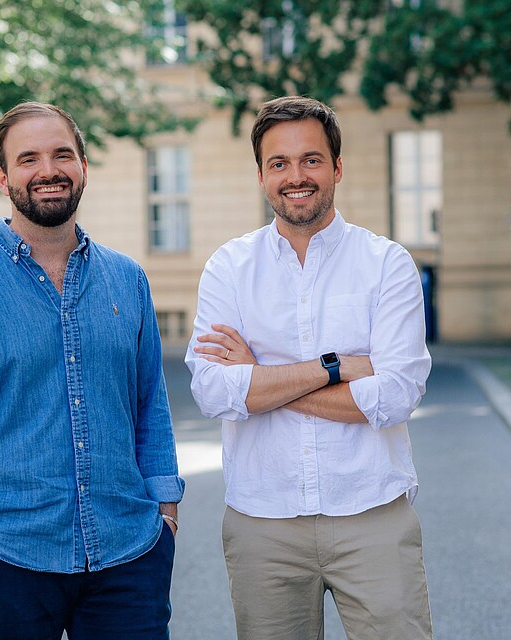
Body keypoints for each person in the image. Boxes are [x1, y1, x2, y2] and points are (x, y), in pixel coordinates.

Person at [0, 101, 184, 640]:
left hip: (129, 556)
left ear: (83, 167)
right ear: (4, 177)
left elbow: (151, 409)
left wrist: (165, 516)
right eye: (28, 159)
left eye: (61, 155)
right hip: (5, 561)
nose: (47, 170)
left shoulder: (129, 281)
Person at [185, 96, 432, 640]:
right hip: (262, 524)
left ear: (337, 168)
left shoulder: (386, 265)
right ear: (261, 175)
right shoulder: (229, 268)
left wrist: (262, 377)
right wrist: (336, 367)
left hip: (372, 513)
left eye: (311, 160)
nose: (296, 176)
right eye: (279, 163)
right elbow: (213, 391)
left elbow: (392, 398)